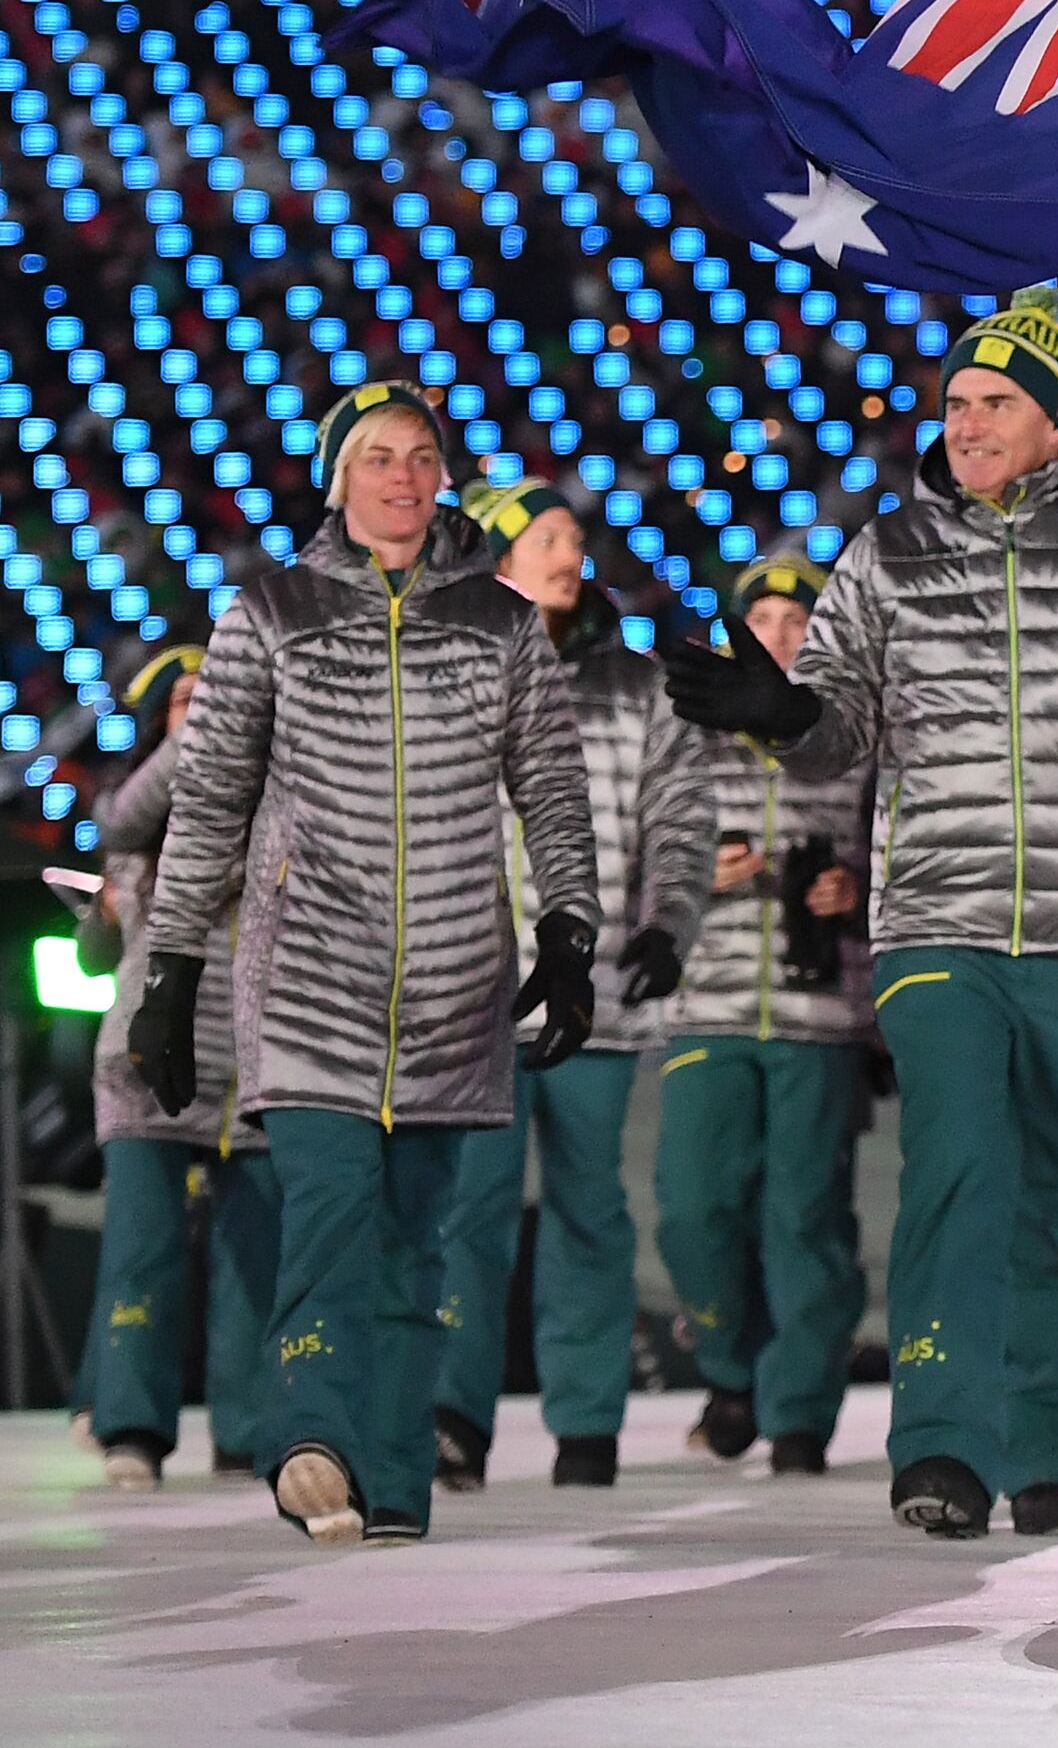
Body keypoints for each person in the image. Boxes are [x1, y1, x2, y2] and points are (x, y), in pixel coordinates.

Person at [658, 288, 1058, 1541]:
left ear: (1054, 423)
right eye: (957, 401)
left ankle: (1050, 1453)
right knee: (960, 1168)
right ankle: (939, 1447)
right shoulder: (886, 552)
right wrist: (775, 716)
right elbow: (835, 730)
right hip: (936, 920)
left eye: (996, 402)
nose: (967, 419)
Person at [134, 382, 605, 1546]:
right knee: (331, 1215)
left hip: (454, 983)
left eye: (421, 457)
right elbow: (210, 799)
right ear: (337, 476)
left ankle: (394, 1485)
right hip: (309, 976)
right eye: (378, 456)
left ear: (444, 479)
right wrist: (174, 962)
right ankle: (310, 1441)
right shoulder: (271, 613)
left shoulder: (500, 622)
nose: (401, 475)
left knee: (417, 1239)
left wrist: (571, 930)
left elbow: (550, 784)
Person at [433, 475, 709, 1491]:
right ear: (498, 557)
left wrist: (670, 923)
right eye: (543, 532)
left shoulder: (639, 685)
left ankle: (587, 1424)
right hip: (476, 999)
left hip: (595, 997)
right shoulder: (457, 672)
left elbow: (681, 817)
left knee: (592, 1208)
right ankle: (452, 1418)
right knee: (470, 1211)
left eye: (573, 534)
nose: (566, 547)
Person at [652, 557, 876, 1478]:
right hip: (704, 1007)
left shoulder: (856, 736)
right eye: (766, 617)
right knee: (694, 1211)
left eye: (799, 618)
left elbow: (907, 849)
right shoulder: (686, 739)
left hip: (818, 1013)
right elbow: (633, 853)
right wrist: (689, 880)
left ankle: (797, 1414)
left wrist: (855, 891)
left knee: (805, 1221)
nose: (781, 634)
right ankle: (731, 1368)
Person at [81, 644, 279, 1489]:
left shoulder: (270, 800)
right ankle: (131, 1429)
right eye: (184, 702)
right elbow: (96, 951)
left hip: (251, 1063)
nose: (203, 713)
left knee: (253, 1260)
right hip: (144, 1056)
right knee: (141, 1252)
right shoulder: (132, 815)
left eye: (218, 700)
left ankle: (247, 1432)